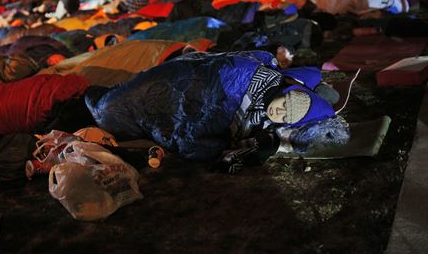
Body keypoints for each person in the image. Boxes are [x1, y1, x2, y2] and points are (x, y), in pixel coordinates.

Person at [85, 51, 345, 174]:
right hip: (187, 80)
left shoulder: (262, 115)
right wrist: (217, 147)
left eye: (288, 115)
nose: (279, 111)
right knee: (107, 110)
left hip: (182, 88)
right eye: (285, 102)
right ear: (286, 89)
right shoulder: (256, 80)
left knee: (113, 109)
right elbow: (189, 139)